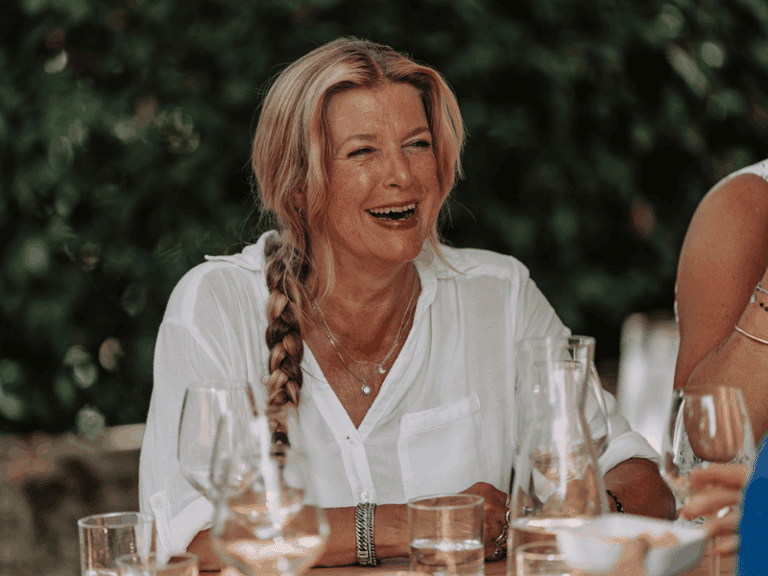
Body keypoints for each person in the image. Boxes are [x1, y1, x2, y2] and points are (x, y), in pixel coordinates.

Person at [138, 37, 674, 570]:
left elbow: (640, 482)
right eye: (363, 151)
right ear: (298, 186)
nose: (403, 174)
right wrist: (411, 524)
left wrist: (575, 520)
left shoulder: (499, 294)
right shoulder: (216, 306)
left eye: (418, 144)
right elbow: (190, 539)